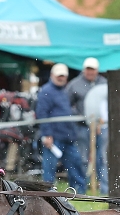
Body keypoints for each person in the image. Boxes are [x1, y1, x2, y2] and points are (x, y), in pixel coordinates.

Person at [35, 63, 87, 192]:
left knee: (75, 164)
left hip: (67, 135)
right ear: (52, 75)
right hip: (53, 137)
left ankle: (80, 192)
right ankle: (48, 193)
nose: (61, 78)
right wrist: (46, 134)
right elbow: (42, 114)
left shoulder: (65, 90)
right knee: (49, 168)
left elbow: (67, 111)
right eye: (59, 76)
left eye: (63, 76)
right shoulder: (46, 91)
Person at [65, 57, 106, 173]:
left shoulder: (104, 83)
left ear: (97, 70)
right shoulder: (74, 84)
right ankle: (83, 184)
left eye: (92, 69)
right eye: (88, 69)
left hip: (101, 127)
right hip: (82, 127)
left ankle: (103, 186)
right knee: (82, 157)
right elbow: (67, 105)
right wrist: (78, 115)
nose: (90, 72)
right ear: (84, 70)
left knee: (102, 157)